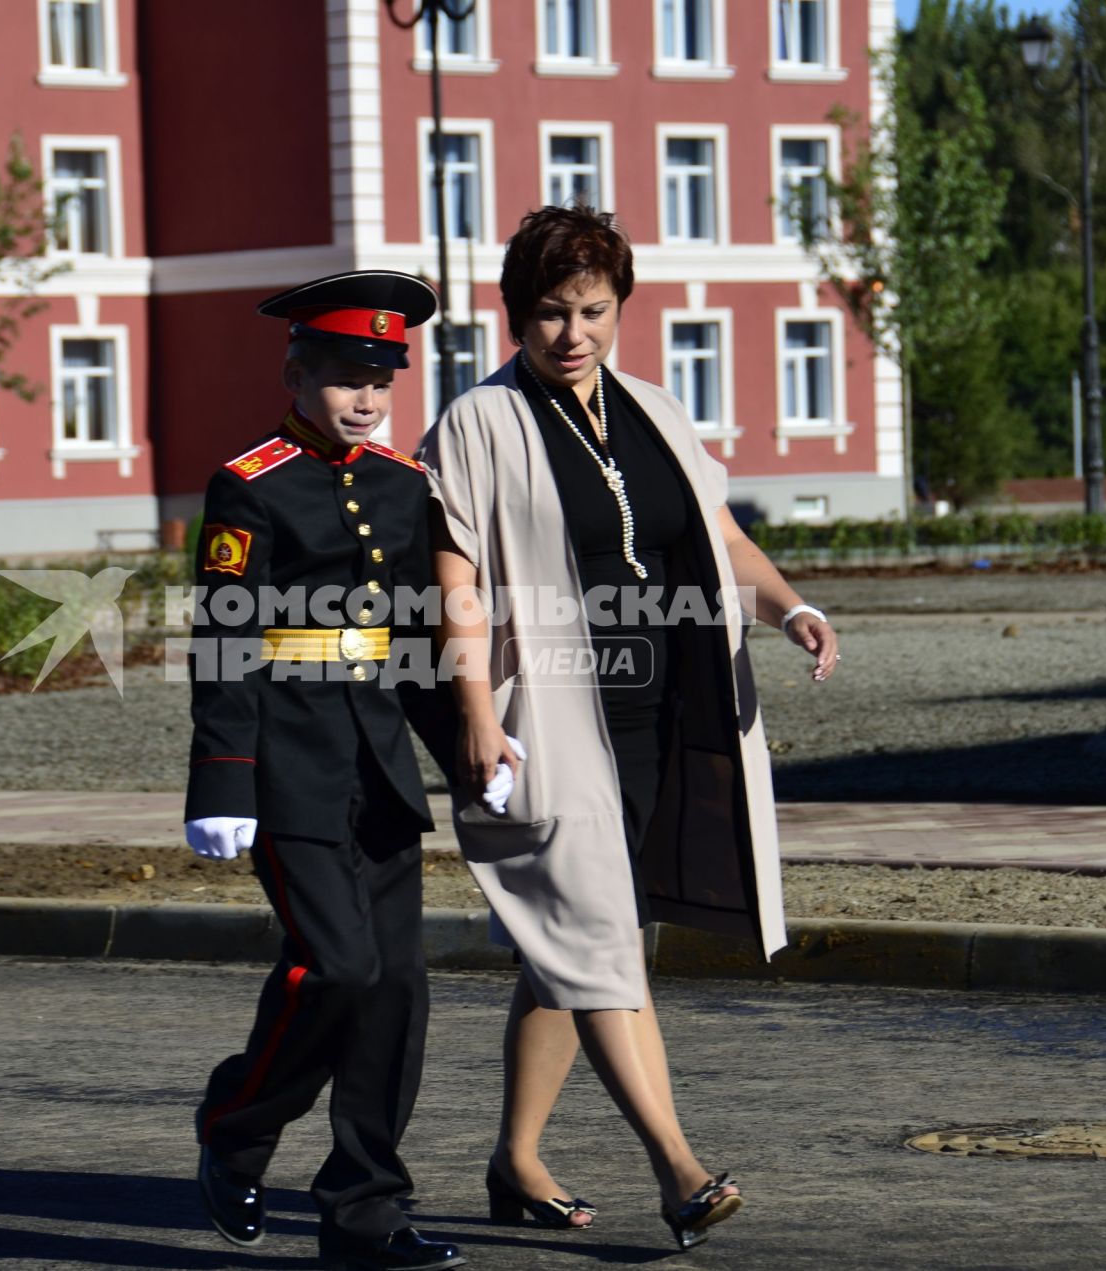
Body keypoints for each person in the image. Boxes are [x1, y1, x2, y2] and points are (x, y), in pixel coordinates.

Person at [417, 206, 840, 1252]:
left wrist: (789, 606)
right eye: (552, 312)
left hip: (654, 709)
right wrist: (473, 709)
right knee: (599, 936)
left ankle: (516, 1158)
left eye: (595, 310)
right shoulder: (476, 423)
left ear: (621, 309)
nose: (574, 332)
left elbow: (721, 532)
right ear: (517, 313)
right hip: (549, 714)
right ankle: (679, 1167)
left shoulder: (654, 407)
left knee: (581, 937)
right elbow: (454, 578)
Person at [184, 270, 476, 1271]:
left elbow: (416, 642)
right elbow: (224, 642)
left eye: (381, 380)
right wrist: (222, 779)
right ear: (297, 372)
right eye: (347, 375)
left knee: (393, 988)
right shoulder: (251, 484)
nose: (364, 397)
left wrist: (472, 750)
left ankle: (365, 1212)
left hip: (380, 769)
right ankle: (235, 1123)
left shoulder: (401, 484)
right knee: (337, 968)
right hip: (287, 769)